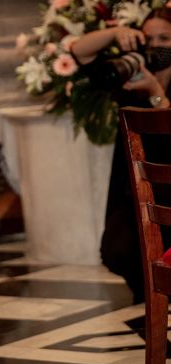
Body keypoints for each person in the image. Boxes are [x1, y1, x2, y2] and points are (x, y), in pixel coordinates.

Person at [71, 7, 171, 304]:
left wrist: (155, 92)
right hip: (135, 191)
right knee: (116, 251)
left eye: (165, 38)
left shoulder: (150, 83)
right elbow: (79, 51)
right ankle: (149, 296)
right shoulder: (130, 72)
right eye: (149, 38)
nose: (156, 46)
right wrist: (116, 33)